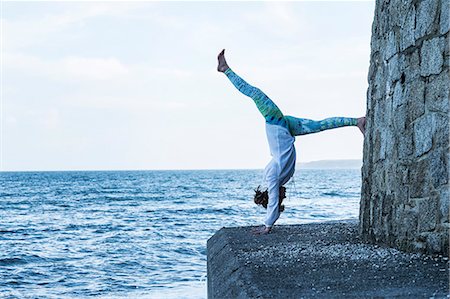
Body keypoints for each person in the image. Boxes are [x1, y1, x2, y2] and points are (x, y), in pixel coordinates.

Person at [217, 49, 366, 235]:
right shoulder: (282, 179)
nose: (284, 196)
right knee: (319, 125)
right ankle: (358, 121)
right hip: (287, 130)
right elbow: (274, 200)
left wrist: (267, 225)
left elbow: (272, 200)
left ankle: (225, 69)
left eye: (281, 198)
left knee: (255, 94)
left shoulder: (272, 177)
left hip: (276, 123)